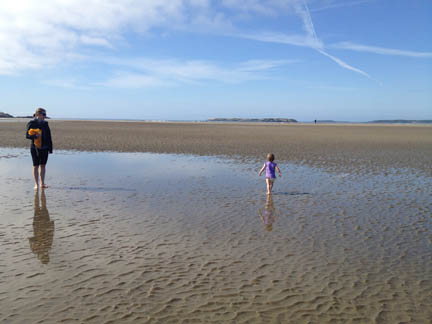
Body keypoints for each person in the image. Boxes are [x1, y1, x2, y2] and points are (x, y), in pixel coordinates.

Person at [26, 108, 53, 190]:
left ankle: (42, 183)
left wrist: (50, 148)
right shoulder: (32, 123)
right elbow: (27, 135)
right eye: (44, 114)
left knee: (43, 165)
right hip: (35, 147)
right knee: (36, 166)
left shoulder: (45, 124)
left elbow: (49, 136)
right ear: (38, 114)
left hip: (44, 147)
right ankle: (36, 184)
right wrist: (35, 136)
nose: (45, 116)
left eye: (45, 114)